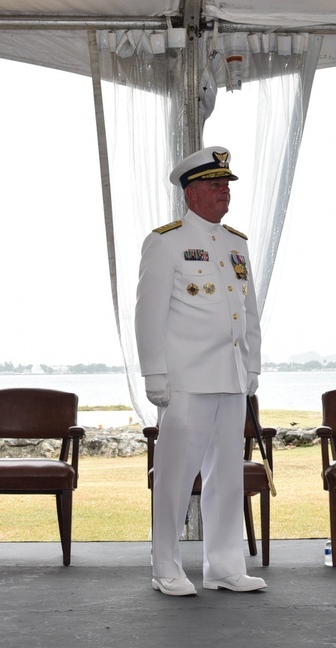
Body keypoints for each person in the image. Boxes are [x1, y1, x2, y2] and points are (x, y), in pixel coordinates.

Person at [134, 146, 266, 596]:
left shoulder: (237, 243)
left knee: (227, 474)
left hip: (230, 376)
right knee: (174, 476)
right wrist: (154, 373)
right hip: (186, 379)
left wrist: (252, 367)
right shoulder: (165, 241)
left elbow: (248, 312)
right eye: (214, 185)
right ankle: (165, 566)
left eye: (226, 184)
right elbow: (147, 314)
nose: (223, 192)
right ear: (191, 194)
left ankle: (225, 566)